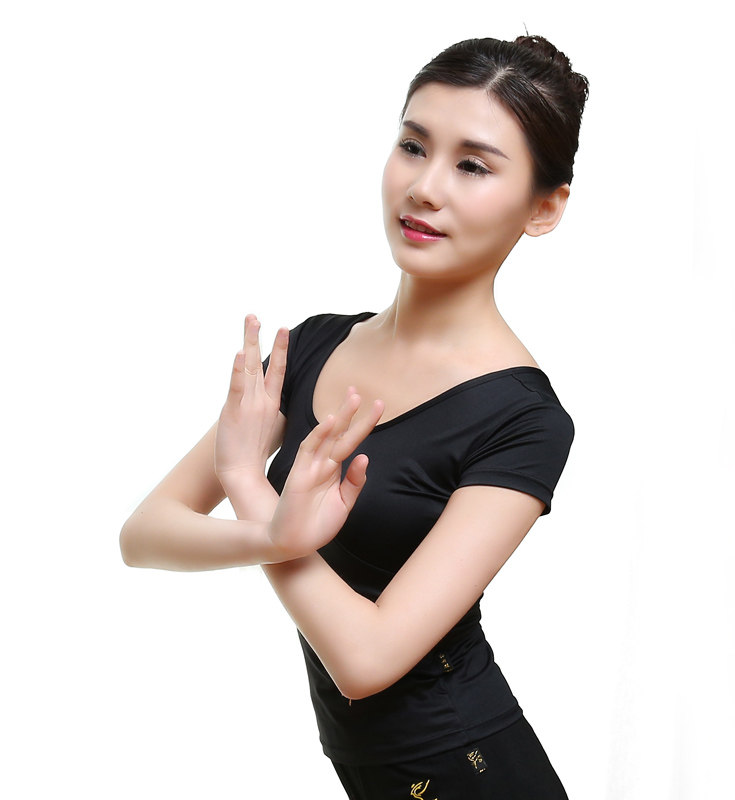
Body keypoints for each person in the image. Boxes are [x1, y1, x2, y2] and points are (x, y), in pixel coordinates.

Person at [121, 34, 588, 800]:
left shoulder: (524, 420)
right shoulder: (313, 346)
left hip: (470, 770)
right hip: (366, 773)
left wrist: (250, 487)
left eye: (472, 165)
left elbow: (366, 661)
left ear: (544, 208)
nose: (424, 188)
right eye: (413, 146)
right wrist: (272, 533)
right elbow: (143, 535)